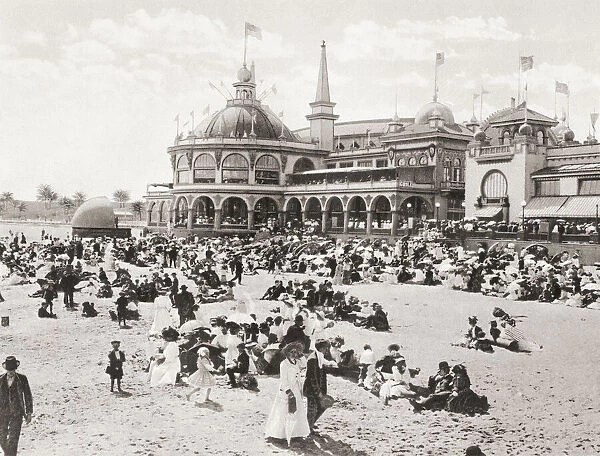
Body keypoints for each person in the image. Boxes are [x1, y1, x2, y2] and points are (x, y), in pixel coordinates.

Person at [264, 341, 310, 446]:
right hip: (287, 391)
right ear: (287, 353)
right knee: (284, 412)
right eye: (292, 352)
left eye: (296, 352)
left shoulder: (297, 362)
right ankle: (280, 435)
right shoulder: (284, 364)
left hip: (297, 390)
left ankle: (295, 433)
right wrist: (289, 392)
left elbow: (304, 365)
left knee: (296, 411)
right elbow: (283, 380)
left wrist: (301, 356)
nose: (294, 354)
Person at [0, 356, 33, 456]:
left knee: (13, 439)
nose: (11, 372)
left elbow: (28, 395)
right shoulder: (0, 380)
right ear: (6, 369)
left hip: (17, 413)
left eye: (13, 369)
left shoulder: (22, 379)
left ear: (15, 369)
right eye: (9, 370)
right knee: (2, 438)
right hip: (2, 414)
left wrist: (29, 413)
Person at [304, 339, 329, 434]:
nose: (327, 350)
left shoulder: (318, 357)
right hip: (312, 389)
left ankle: (310, 423)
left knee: (321, 406)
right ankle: (308, 428)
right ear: (322, 348)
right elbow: (312, 378)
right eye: (326, 348)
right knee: (312, 408)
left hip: (318, 389)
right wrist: (318, 392)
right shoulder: (313, 359)